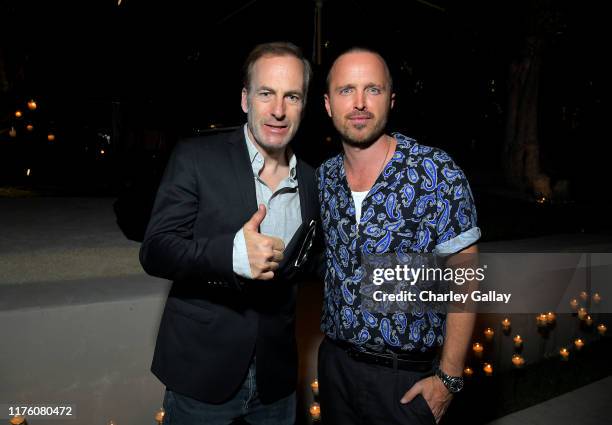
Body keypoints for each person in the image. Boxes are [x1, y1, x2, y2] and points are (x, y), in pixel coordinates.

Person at [140, 41, 319, 425]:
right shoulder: (196, 157)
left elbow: (315, 263)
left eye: (291, 96)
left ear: (304, 105)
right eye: (266, 93)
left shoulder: (312, 180)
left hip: (277, 381)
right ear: (245, 99)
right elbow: (155, 250)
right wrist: (231, 255)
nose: (277, 110)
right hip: (201, 376)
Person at [316, 47, 481, 424]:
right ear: (328, 104)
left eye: (372, 89)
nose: (359, 102)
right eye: (346, 90)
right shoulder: (323, 178)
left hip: (405, 380)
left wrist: (448, 379)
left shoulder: (434, 171)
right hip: (336, 368)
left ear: (390, 99)